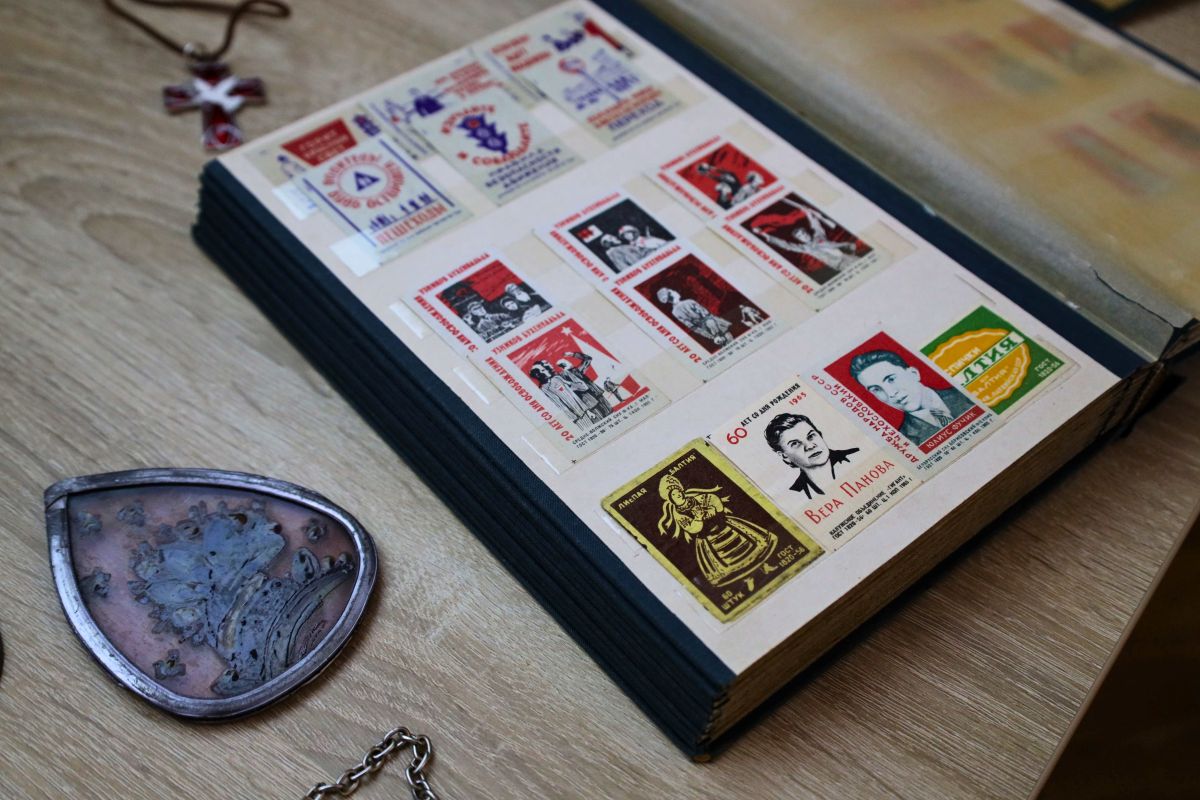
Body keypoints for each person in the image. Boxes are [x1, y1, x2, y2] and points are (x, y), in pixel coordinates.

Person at [656, 474, 777, 588]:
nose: (678, 495)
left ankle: (765, 567)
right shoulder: (679, 515)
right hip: (710, 540)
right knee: (731, 560)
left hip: (725, 527)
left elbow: (714, 500)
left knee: (749, 547)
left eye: (678, 492)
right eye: (674, 495)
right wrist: (698, 518)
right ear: (671, 500)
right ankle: (748, 580)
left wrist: (712, 510)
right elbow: (692, 528)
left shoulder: (697, 498)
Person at [849, 350, 975, 446]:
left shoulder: (967, 392)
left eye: (891, 379)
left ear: (914, 374)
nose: (891, 393)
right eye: (876, 389)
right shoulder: (905, 442)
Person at [763, 413, 860, 499]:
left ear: (820, 435)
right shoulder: (796, 494)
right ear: (785, 456)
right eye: (795, 443)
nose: (810, 446)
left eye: (811, 436)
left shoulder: (856, 455)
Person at [655, 287, 733, 347]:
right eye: (673, 291)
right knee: (728, 338)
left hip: (703, 330)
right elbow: (706, 314)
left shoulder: (674, 312)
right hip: (713, 324)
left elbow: (691, 326)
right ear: (672, 295)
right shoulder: (689, 302)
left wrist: (712, 337)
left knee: (723, 344)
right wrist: (716, 333)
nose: (676, 292)